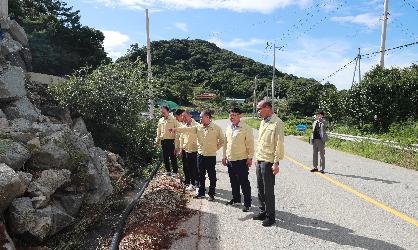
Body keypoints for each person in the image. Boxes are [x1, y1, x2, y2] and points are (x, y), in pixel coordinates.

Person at [170, 110, 224, 201]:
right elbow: (187, 129)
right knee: (200, 175)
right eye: (199, 117)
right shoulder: (198, 127)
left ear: (207, 117)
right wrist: (176, 129)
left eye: (201, 117)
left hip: (211, 155)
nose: (200, 119)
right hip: (200, 155)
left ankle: (211, 194)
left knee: (212, 176)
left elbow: (222, 141)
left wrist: (215, 148)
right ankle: (201, 193)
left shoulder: (216, 128)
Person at [253, 100, 284, 227]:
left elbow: (279, 144)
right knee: (260, 189)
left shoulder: (277, 123)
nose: (258, 111)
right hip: (260, 159)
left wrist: (276, 163)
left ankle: (271, 217)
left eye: (260, 109)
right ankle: (263, 211)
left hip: (269, 161)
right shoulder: (262, 122)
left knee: (268, 191)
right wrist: (256, 158)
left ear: (267, 108)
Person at [222, 107, 254, 212]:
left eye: (234, 115)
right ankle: (236, 199)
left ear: (240, 115)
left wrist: (250, 157)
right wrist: (224, 156)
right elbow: (226, 143)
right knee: (233, 181)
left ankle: (247, 203)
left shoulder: (246, 128)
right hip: (231, 159)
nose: (232, 117)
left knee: (244, 182)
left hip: (241, 159)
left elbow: (250, 144)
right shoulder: (228, 128)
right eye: (230, 115)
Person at [155, 106, 179, 177]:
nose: (163, 113)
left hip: (171, 140)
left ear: (168, 111)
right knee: (165, 157)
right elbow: (158, 131)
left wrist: (177, 142)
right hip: (163, 140)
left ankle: (175, 172)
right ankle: (168, 171)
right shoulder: (161, 120)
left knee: (172, 156)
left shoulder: (173, 119)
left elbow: (177, 130)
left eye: (164, 112)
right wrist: (157, 140)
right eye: (162, 112)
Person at [178, 110, 199, 191]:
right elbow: (181, 139)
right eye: (183, 117)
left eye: (186, 117)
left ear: (190, 115)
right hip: (186, 150)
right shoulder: (184, 127)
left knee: (196, 169)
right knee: (189, 168)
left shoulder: (197, 125)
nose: (184, 119)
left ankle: (198, 185)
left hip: (195, 150)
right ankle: (192, 184)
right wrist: (180, 149)